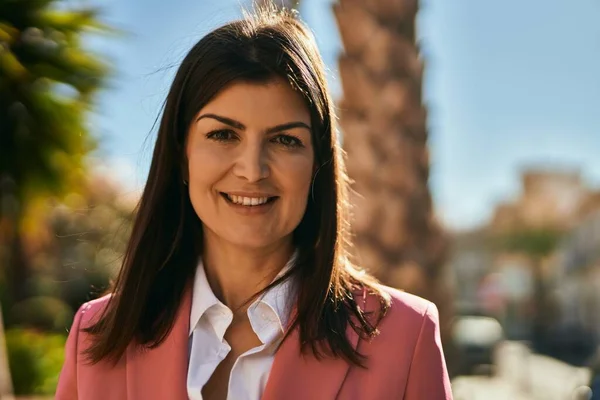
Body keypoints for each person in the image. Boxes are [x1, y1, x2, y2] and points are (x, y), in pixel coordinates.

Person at [55, 7, 452, 400]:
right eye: (224, 134)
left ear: (317, 164)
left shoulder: (406, 336)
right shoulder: (95, 337)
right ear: (182, 154)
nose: (252, 169)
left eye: (285, 140)